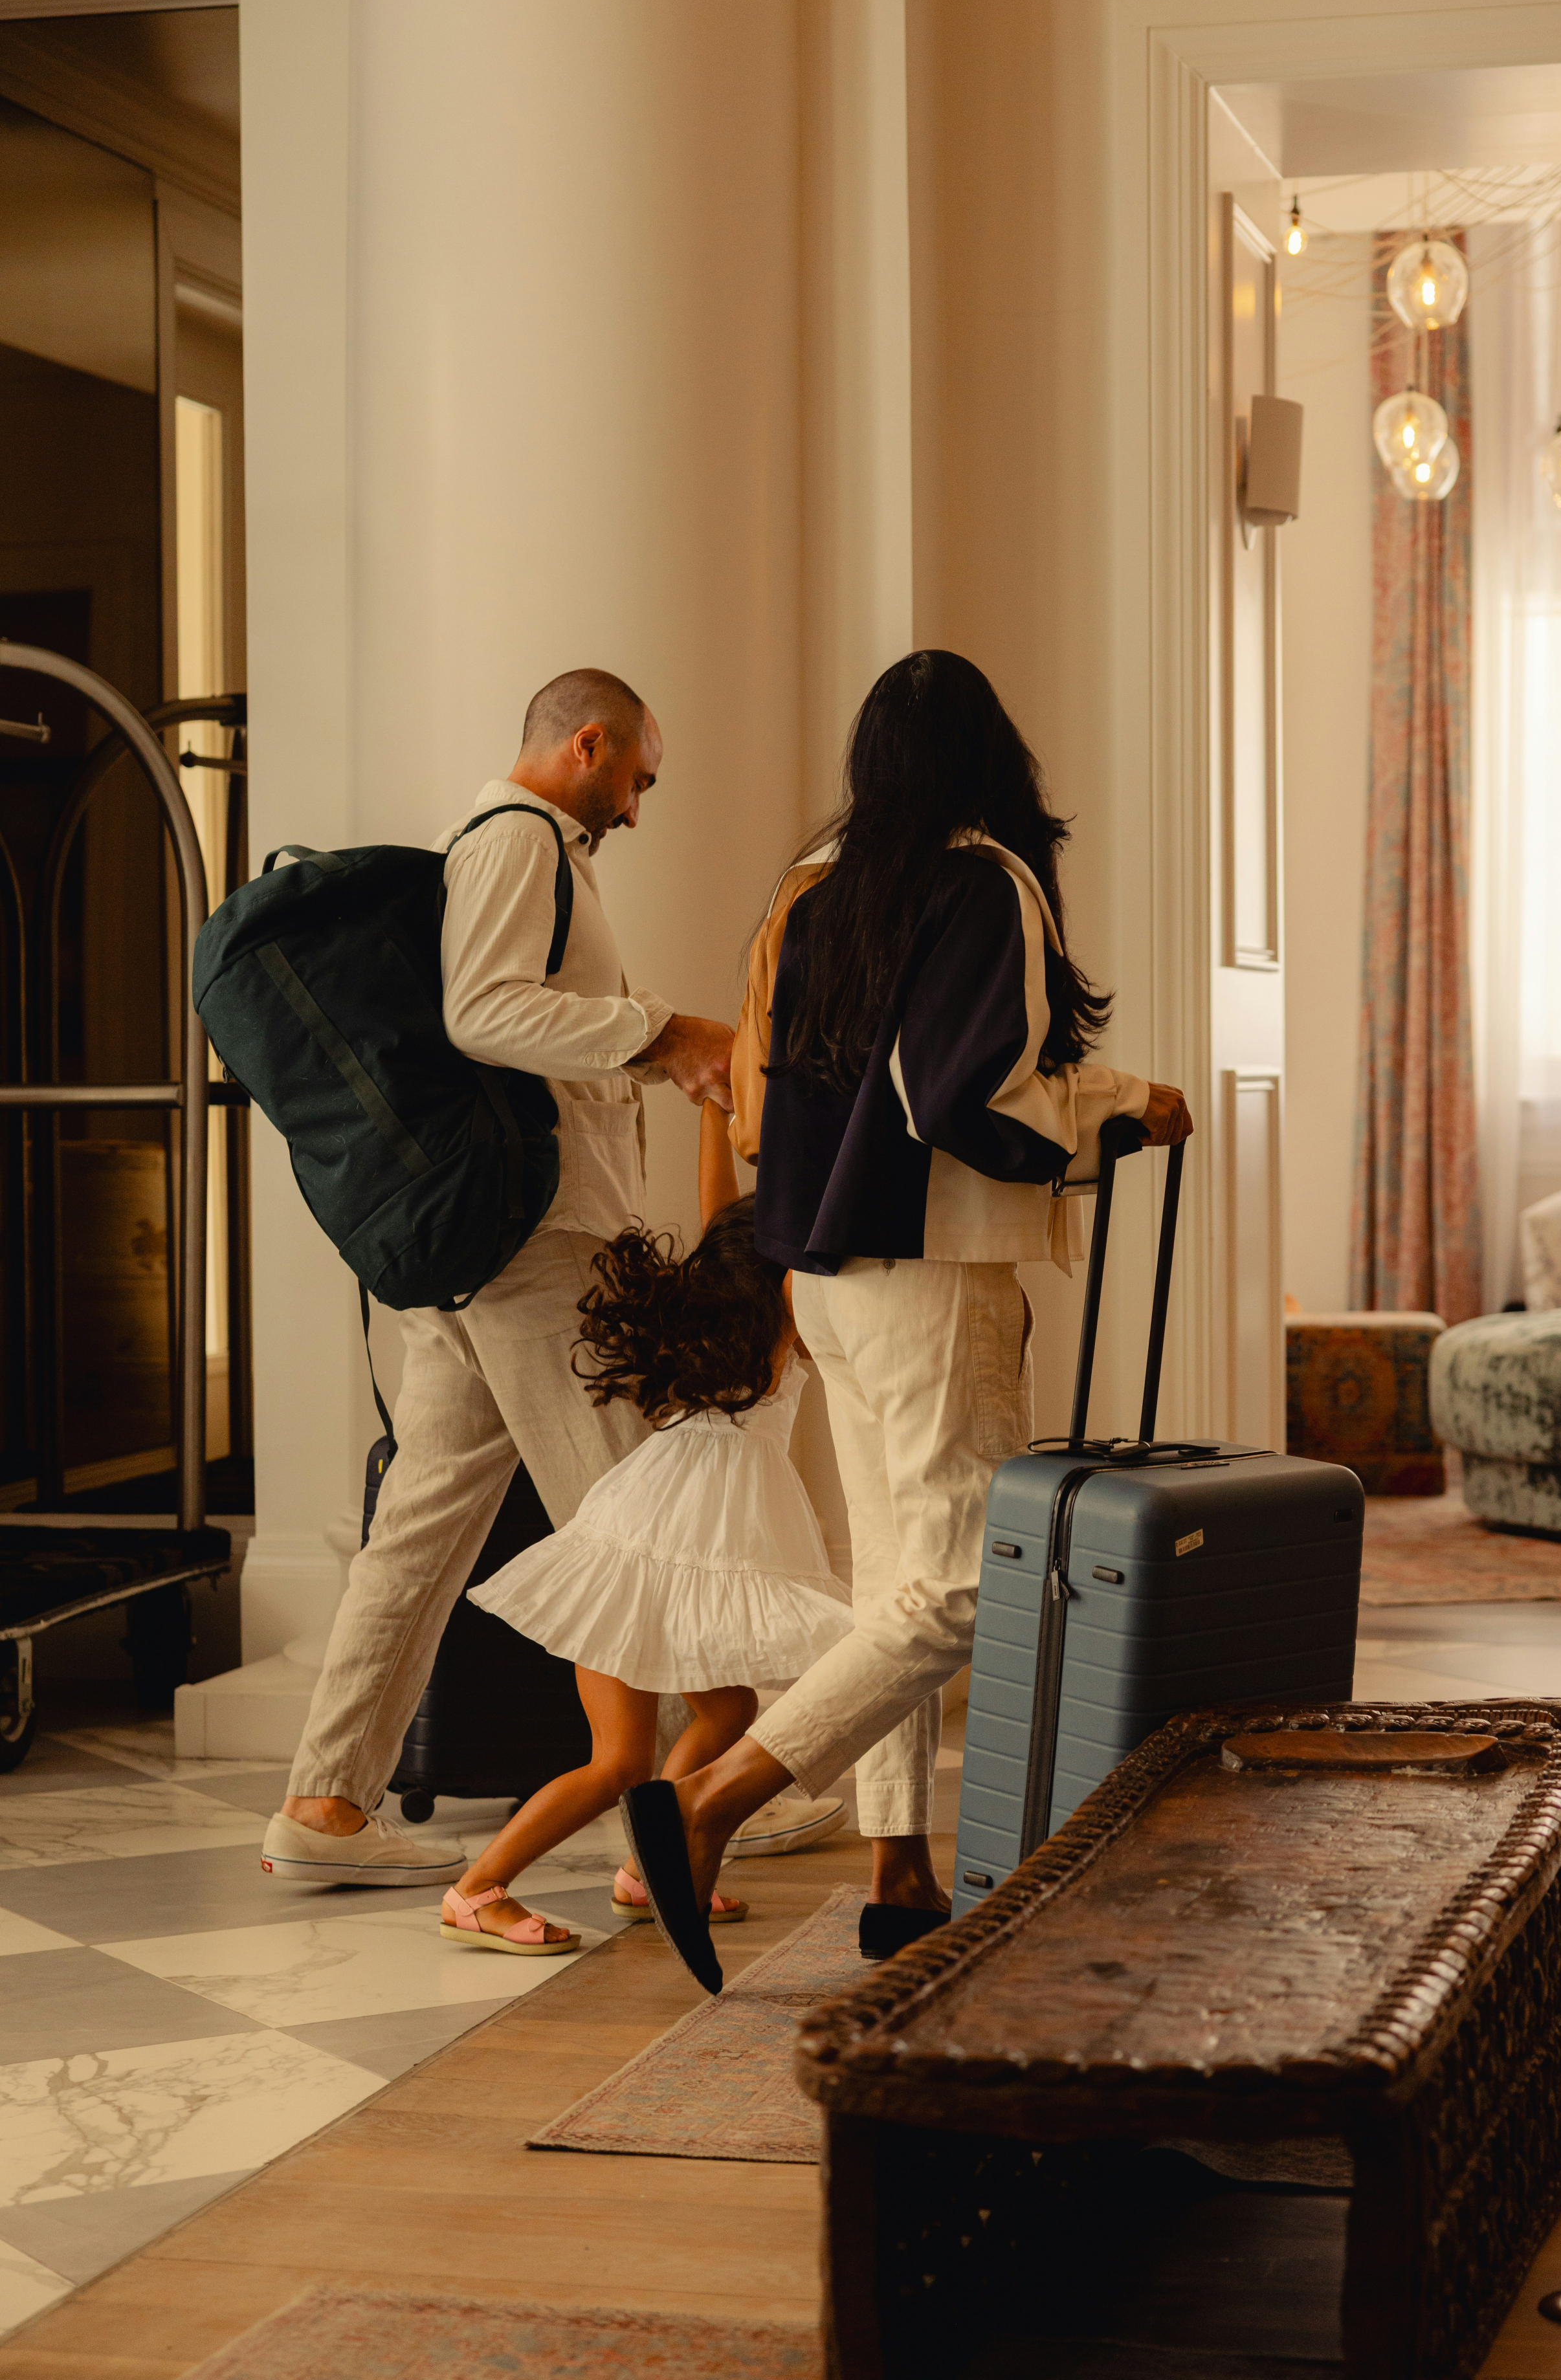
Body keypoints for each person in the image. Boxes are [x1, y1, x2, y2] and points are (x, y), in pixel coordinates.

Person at [621, 649, 1193, 1993]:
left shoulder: (816, 892)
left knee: (893, 1577)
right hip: (935, 1273)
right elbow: (960, 1098)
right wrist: (1122, 1106)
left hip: (824, 1270)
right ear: (994, 756)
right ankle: (711, 1804)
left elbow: (855, 1079)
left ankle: (900, 1866)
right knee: (954, 1587)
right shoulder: (982, 879)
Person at [259, 667, 738, 1901]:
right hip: (532, 1245)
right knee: (637, 1503)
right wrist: (664, 1033)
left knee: (423, 1526)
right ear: (590, 744)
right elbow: (486, 1013)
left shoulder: (520, 845)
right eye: (639, 778)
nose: (639, 808)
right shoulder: (524, 838)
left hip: (483, 1247)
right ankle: (716, 1781)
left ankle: (325, 1798)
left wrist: (641, 1043)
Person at [434, 1105, 851, 1952]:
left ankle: (647, 1868)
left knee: (728, 1706)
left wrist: (713, 1110)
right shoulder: (786, 1313)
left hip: (651, 1530)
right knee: (617, 1762)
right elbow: (782, 1232)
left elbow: (717, 1212)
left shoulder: (729, 1305)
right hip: (655, 1546)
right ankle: (475, 1891)